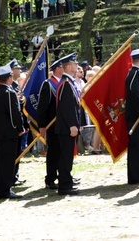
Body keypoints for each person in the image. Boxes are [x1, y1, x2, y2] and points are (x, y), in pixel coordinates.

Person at [0, 65, 25, 200]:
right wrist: (20, 128)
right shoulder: (9, 93)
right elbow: (14, 114)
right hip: (9, 133)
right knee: (7, 163)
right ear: (9, 78)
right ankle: (5, 190)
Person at [54, 53, 81, 195]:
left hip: (66, 127)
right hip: (66, 128)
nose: (77, 66)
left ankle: (67, 182)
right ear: (69, 66)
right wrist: (72, 125)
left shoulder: (68, 82)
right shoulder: (66, 84)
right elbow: (67, 107)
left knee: (67, 157)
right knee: (65, 158)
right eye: (75, 64)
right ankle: (64, 186)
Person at [38, 58, 63, 190]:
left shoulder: (64, 83)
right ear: (58, 69)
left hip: (63, 125)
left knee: (62, 152)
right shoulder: (48, 84)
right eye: (62, 67)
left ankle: (63, 175)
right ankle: (50, 178)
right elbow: (42, 107)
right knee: (53, 153)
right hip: (52, 126)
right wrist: (42, 125)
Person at [125, 48, 139, 186]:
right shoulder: (136, 74)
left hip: (135, 115)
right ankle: (136, 175)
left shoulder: (136, 73)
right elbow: (136, 93)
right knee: (137, 146)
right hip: (136, 116)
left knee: (138, 146)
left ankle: (137, 174)